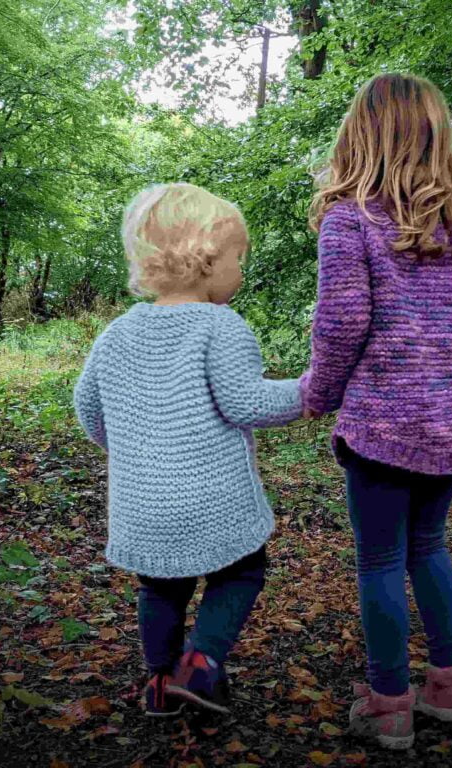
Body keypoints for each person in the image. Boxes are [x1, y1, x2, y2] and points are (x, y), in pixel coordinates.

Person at [73, 182, 304, 716]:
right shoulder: (220, 326)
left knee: (160, 588)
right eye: (237, 258)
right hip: (212, 501)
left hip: (142, 506)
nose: (241, 271)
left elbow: (89, 407)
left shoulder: (116, 334)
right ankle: (201, 665)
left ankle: (159, 683)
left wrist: (134, 449)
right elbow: (248, 403)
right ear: (204, 259)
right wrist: (312, 391)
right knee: (242, 572)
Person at [299, 73, 452, 750]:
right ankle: (451, 684)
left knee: (379, 560)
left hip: (381, 426)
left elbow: (343, 322)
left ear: (361, 134)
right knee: (429, 549)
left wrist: (319, 394)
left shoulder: (350, 219)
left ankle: (388, 702)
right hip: (450, 424)